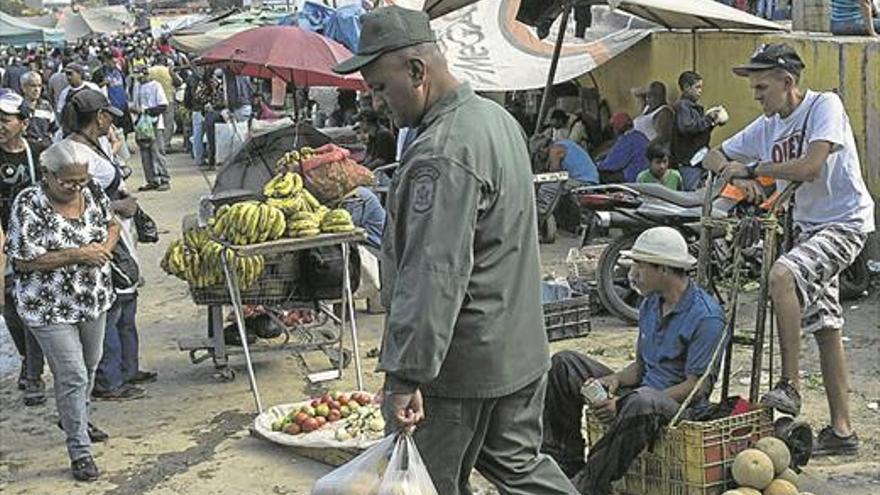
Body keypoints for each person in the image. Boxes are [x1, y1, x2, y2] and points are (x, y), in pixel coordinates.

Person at [333, 6, 577, 494]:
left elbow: (433, 276)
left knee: (425, 482)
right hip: (520, 349)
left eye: (380, 87)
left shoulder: (440, 152)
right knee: (522, 470)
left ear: (417, 71)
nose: (377, 103)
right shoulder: (496, 119)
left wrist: (405, 374)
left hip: (460, 368)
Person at [706, 43, 875, 456]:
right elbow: (712, 154)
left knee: (782, 275)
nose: (756, 95)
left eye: (762, 86)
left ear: (788, 81)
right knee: (827, 326)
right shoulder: (765, 127)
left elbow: (811, 167)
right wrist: (736, 176)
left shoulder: (824, 106)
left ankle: (790, 385)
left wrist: (754, 169)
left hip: (844, 222)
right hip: (806, 230)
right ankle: (842, 432)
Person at [543, 227, 725, 495]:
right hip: (640, 399)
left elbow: (696, 390)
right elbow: (641, 367)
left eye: (640, 266)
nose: (633, 274)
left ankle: (588, 484)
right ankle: (563, 460)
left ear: (663, 269)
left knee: (643, 400)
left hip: (676, 408)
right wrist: (614, 380)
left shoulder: (706, 317)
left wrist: (626, 403)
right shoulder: (651, 303)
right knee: (564, 364)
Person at [5, 139, 120, 481]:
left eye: (80, 180)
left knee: (90, 363)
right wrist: (79, 254)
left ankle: (75, 416)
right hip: (47, 306)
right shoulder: (29, 203)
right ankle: (80, 450)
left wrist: (105, 248)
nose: (75, 187)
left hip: (92, 297)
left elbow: (112, 224)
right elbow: (23, 261)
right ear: (47, 175)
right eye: (67, 181)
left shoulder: (93, 192)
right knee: (73, 374)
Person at [64, 91, 156, 400]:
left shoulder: (97, 144)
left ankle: (128, 369)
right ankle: (109, 381)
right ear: (98, 117)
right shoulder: (74, 153)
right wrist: (117, 207)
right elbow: (77, 199)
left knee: (127, 303)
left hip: (119, 233)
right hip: (101, 239)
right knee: (112, 308)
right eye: (108, 115)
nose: (112, 120)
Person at [0, 92, 47, 407]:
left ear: (24, 122)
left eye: (5, 120)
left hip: (39, 243)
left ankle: (33, 375)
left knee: (34, 310)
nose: (0, 126)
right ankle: (27, 360)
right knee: (11, 310)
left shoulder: (41, 153)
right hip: (4, 242)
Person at [670, 71, 724, 190]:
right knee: (692, 194)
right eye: (697, 87)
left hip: (698, 159)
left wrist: (712, 123)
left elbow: (698, 133)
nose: (700, 91)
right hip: (689, 161)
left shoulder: (692, 108)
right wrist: (708, 119)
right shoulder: (683, 106)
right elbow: (687, 128)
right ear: (686, 88)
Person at [132, 67, 171, 191]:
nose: (140, 78)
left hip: (154, 123)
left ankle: (164, 178)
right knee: (145, 154)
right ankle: (151, 179)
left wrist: (147, 111)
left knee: (157, 152)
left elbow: (163, 106)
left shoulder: (155, 86)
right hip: (141, 125)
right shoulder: (137, 86)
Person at [597, 112, 648, 183]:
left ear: (618, 126)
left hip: (632, 176)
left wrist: (597, 164)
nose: (614, 130)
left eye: (614, 126)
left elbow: (614, 164)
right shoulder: (639, 135)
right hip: (645, 173)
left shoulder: (627, 139)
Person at [94, 52, 133, 137]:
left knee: (124, 131)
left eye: (116, 62)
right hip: (110, 108)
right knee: (112, 132)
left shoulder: (118, 71)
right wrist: (102, 83)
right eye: (112, 61)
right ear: (106, 61)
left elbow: (124, 85)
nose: (114, 64)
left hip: (122, 105)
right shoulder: (99, 73)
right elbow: (93, 88)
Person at [148, 58, 182, 150]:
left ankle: (156, 144)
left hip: (153, 102)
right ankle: (165, 144)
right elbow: (178, 83)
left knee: (156, 123)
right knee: (168, 124)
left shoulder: (150, 71)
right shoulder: (168, 70)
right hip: (167, 100)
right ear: (164, 62)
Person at [19, 71, 57, 148]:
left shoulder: (46, 106)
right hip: (26, 148)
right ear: (23, 87)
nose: (37, 89)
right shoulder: (18, 106)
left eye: (39, 86)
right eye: (33, 86)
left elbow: (54, 128)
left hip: (45, 147)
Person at [632, 80, 674, 148]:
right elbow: (634, 92)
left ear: (660, 96)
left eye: (650, 96)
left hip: (648, 150)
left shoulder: (664, 112)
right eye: (647, 96)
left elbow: (663, 137)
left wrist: (645, 147)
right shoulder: (647, 108)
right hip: (635, 146)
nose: (647, 99)